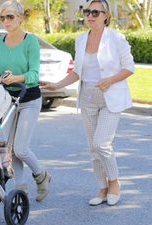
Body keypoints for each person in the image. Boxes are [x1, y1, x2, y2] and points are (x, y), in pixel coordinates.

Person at [41, 0, 134, 206]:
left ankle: (114, 182)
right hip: (88, 98)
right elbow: (77, 72)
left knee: (102, 143)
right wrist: (56, 86)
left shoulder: (116, 38)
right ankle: (102, 188)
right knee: (93, 148)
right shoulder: (81, 40)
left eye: (95, 12)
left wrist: (110, 80)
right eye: (87, 12)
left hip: (110, 97)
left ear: (105, 16)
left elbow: (129, 67)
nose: (90, 16)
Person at [0, 0, 51, 202]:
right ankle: (20, 189)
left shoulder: (30, 41)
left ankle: (41, 176)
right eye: (2, 17)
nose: (6, 21)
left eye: (10, 17)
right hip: (8, 99)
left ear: (20, 18)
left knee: (21, 148)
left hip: (29, 98)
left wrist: (16, 78)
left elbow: (34, 74)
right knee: (8, 146)